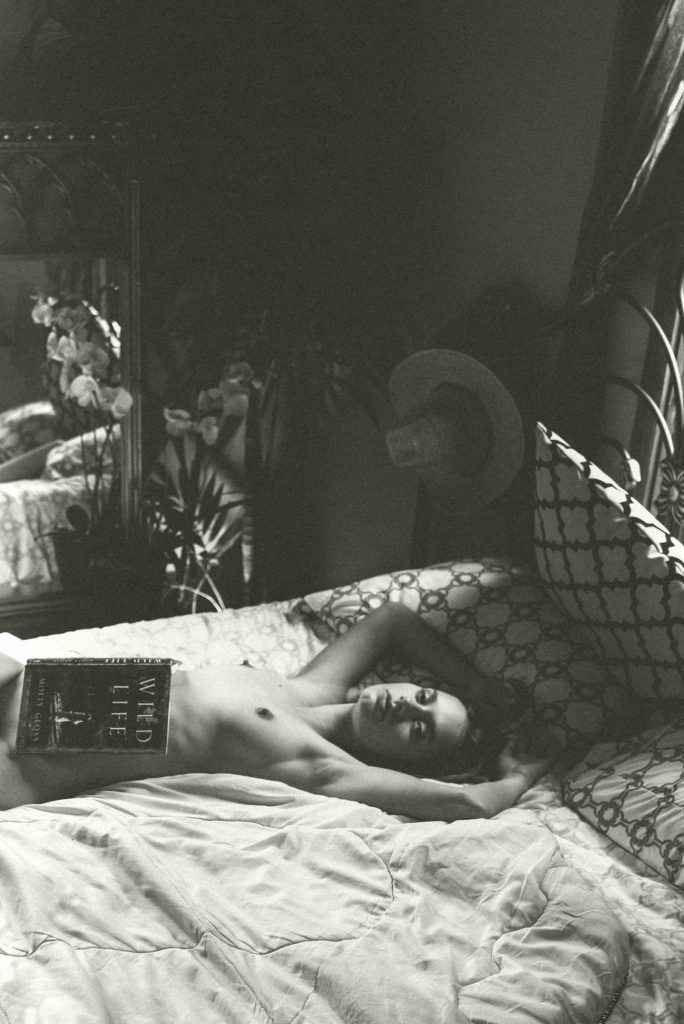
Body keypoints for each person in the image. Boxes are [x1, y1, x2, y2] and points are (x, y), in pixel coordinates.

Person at [0, 604, 551, 816]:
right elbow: (393, 621)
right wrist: (475, 685)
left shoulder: (321, 763)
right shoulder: (311, 687)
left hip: (18, 759)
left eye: (419, 731)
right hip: (20, 685)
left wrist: (519, 776)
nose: (407, 707)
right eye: (424, 697)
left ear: (408, 762)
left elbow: (467, 801)